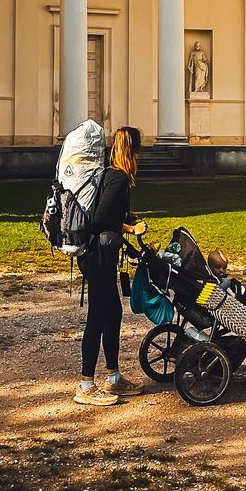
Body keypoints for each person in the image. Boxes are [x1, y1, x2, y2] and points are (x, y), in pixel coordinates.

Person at [75, 125, 145, 407]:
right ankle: (86, 384)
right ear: (134, 150)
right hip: (97, 258)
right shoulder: (117, 177)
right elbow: (101, 217)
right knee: (98, 316)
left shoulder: (111, 175)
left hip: (101, 255)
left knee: (113, 311)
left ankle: (113, 377)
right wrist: (130, 227)